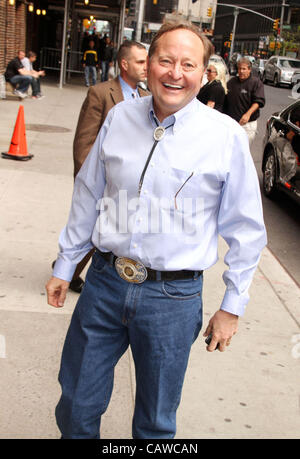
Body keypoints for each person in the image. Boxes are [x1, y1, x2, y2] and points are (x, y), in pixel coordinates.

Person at [46, 21, 267, 439]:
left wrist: (232, 305)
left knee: (155, 424)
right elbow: (89, 194)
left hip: (173, 298)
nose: (175, 73)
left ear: (204, 74)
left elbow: (246, 229)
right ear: (147, 65)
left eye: (188, 64)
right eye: (165, 60)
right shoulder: (119, 117)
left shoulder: (224, 137)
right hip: (105, 284)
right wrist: (65, 264)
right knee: (75, 404)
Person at [53, 40, 148, 294]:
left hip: (126, 184)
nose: (146, 66)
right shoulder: (101, 92)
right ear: (124, 64)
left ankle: (68, 267)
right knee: (94, 230)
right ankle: (68, 271)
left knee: (106, 232)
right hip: (101, 181)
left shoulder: (146, 97)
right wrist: (88, 181)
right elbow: (84, 141)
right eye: (140, 61)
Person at [225, 57, 265, 145]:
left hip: (247, 125)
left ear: (249, 70)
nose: (241, 71)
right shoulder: (231, 82)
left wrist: (248, 114)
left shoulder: (256, 83)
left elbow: (258, 101)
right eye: (239, 68)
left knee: (243, 151)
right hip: (231, 123)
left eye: (244, 69)